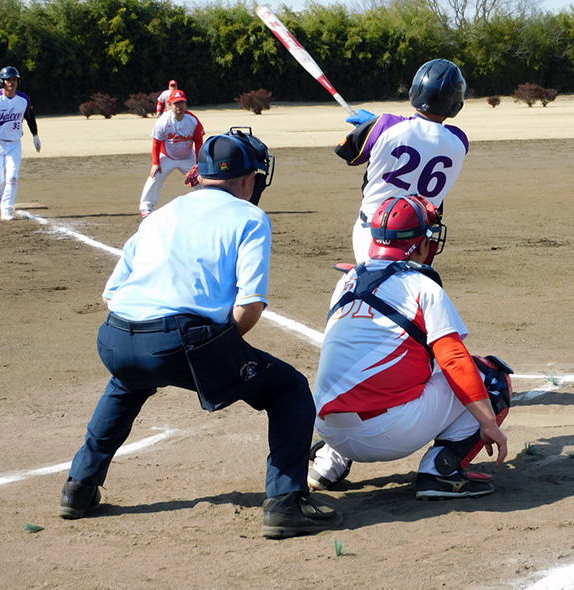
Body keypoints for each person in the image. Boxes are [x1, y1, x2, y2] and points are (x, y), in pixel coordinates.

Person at [58, 127, 341, 539]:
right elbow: (250, 306)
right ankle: (285, 503)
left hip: (115, 337)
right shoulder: (250, 217)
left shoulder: (161, 214)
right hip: (178, 341)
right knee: (289, 390)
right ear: (248, 179)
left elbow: (111, 295)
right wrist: (215, 351)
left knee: (127, 382)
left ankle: (78, 488)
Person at [308, 195, 513, 499]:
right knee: (491, 377)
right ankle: (440, 472)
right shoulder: (422, 286)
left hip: (327, 427)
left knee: (363, 366)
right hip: (386, 434)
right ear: (420, 244)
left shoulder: (347, 280)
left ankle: (327, 464)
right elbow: (454, 360)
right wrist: (488, 424)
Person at [335, 59, 469, 262]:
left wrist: (370, 126)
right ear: (456, 104)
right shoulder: (460, 141)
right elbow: (427, 135)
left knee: (374, 281)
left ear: (415, 91)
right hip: (420, 241)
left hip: (374, 232)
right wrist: (378, 125)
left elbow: (349, 154)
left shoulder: (385, 126)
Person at [0, 66, 41, 221]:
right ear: (2, 81)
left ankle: (6, 210)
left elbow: (30, 117)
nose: (11, 82)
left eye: (14, 79)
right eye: (8, 80)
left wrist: (35, 135)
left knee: (12, 177)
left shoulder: (23, 99)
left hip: (14, 144)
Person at [139, 89, 205, 217]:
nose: (179, 106)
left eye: (181, 103)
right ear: (169, 105)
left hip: (188, 157)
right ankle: (146, 206)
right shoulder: (163, 121)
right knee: (155, 176)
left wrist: (198, 163)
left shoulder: (193, 120)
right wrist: (155, 163)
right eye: (176, 103)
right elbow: (156, 143)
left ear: (186, 104)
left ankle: (211, 203)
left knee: (203, 178)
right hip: (168, 156)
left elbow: (198, 142)